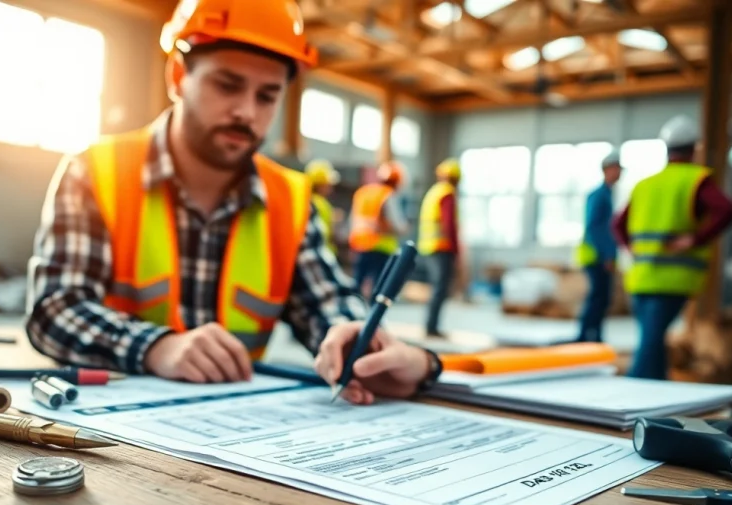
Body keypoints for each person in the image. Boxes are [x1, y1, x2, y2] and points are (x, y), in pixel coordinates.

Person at [25, 0, 439, 405]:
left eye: (267, 96)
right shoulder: (96, 172)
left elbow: (328, 306)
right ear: (178, 75)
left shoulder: (291, 201)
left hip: (238, 438)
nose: (246, 112)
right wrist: (156, 347)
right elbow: (55, 311)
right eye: (228, 85)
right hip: (113, 432)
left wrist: (360, 344)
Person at [613, 115, 732, 380]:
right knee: (651, 343)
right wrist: (695, 239)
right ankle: (630, 400)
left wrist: (630, 248)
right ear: (694, 149)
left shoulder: (645, 185)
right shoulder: (696, 180)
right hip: (672, 280)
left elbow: (618, 225)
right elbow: (727, 210)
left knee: (651, 340)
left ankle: (651, 399)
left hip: (640, 278)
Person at [573, 150, 622, 343]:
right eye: (617, 169)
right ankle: (585, 337)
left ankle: (595, 337)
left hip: (600, 255)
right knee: (597, 298)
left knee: (601, 299)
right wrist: (607, 254)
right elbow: (595, 227)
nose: (619, 173)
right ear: (607, 170)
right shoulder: (599, 195)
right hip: (596, 256)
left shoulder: (607, 194)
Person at [348, 160, 410, 294]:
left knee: (358, 282)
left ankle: (353, 309)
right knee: (378, 286)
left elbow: (353, 219)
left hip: (360, 243)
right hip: (381, 246)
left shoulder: (363, 192)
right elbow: (396, 223)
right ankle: (372, 313)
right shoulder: (388, 195)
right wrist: (404, 228)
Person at [418, 158, 462, 338]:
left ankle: (430, 325)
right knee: (440, 289)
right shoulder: (447, 194)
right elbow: (448, 224)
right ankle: (431, 327)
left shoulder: (433, 192)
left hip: (427, 247)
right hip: (441, 248)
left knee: (436, 288)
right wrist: (456, 250)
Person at [304, 159, 339, 255]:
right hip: (321, 251)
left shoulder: (304, 200)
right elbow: (325, 233)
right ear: (320, 184)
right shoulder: (322, 204)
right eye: (328, 183)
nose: (330, 186)